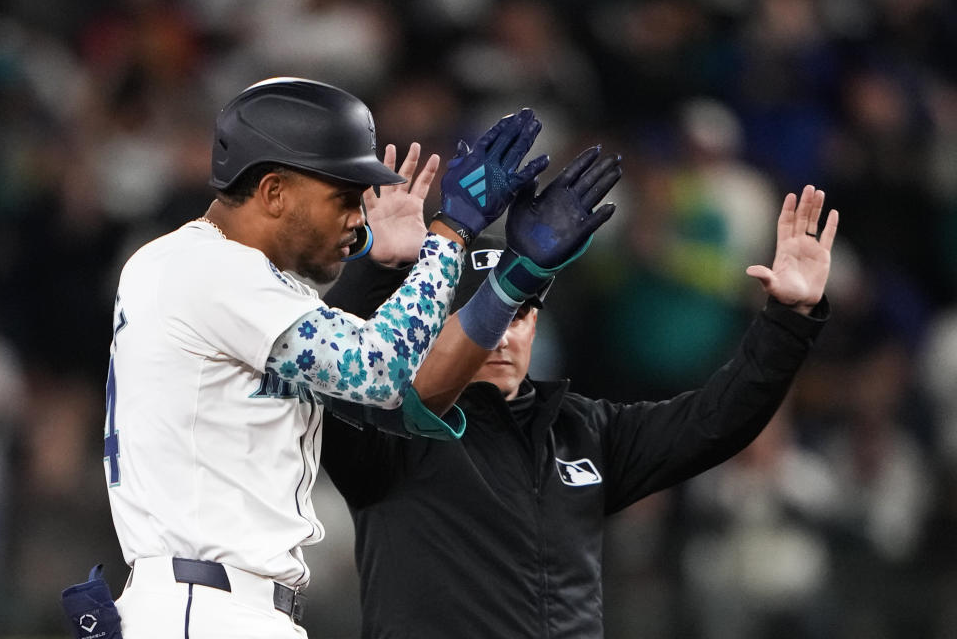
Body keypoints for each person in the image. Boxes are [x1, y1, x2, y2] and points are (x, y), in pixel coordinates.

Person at [88, 76, 622, 638]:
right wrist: (452, 231)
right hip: (204, 606)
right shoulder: (206, 269)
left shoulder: (231, 283)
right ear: (274, 192)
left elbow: (414, 400)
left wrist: (513, 281)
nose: (356, 215)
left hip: (216, 606)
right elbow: (382, 371)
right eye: (343, 197)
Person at [320, 184, 839, 638]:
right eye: (477, 316)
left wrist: (788, 320)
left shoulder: (583, 430)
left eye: (519, 314)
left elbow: (716, 420)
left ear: (538, 325)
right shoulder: (388, 430)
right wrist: (375, 268)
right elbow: (324, 373)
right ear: (436, 328)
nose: (501, 335)